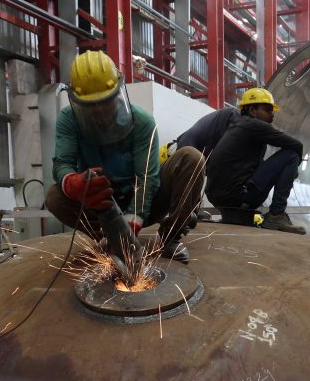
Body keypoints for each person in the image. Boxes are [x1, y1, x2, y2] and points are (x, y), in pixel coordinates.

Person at [45, 51, 205, 264]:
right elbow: (62, 164)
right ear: (78, 101)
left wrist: (130, 226)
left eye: (105, 102)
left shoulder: (142, 122)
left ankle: (171, 237)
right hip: (101, 206)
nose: (100, 112)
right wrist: (72, 183)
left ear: (118, 92)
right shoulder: (68, 120)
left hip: (146, 202)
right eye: (91, 106)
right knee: (55, 195)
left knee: (192, 159)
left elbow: (147, 180)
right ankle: (107, 236)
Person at [204, 88, 306, 234]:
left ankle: (273, 213)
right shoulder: (254, 126)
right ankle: (276, 215)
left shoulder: (238, 127)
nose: (272, 115)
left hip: (219, 197)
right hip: (237, 196)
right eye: (267, 110)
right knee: (291, 156)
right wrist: (294, 168)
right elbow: (297, 145)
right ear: (252, 110)